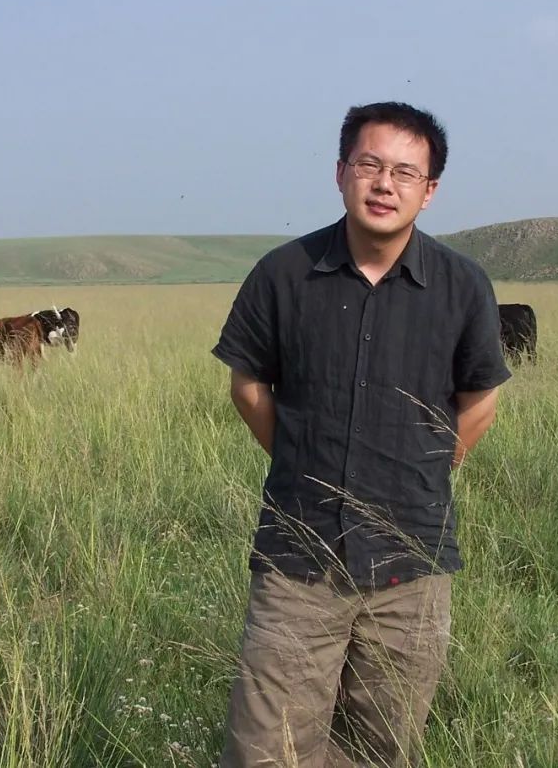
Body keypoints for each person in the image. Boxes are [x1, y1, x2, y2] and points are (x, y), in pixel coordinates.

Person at [212, 101, 511, 767]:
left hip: (412, 565)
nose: (384, 184)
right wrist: (306, 462)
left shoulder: (462, 286)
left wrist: (419, 474)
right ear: (341, 172)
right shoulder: (282, 274)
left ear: (429, 191)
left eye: (405, 172)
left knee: (382, 748)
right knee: (268, 751)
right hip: (299, 557)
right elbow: (248, 388)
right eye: (369, 165)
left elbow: (480, 403)